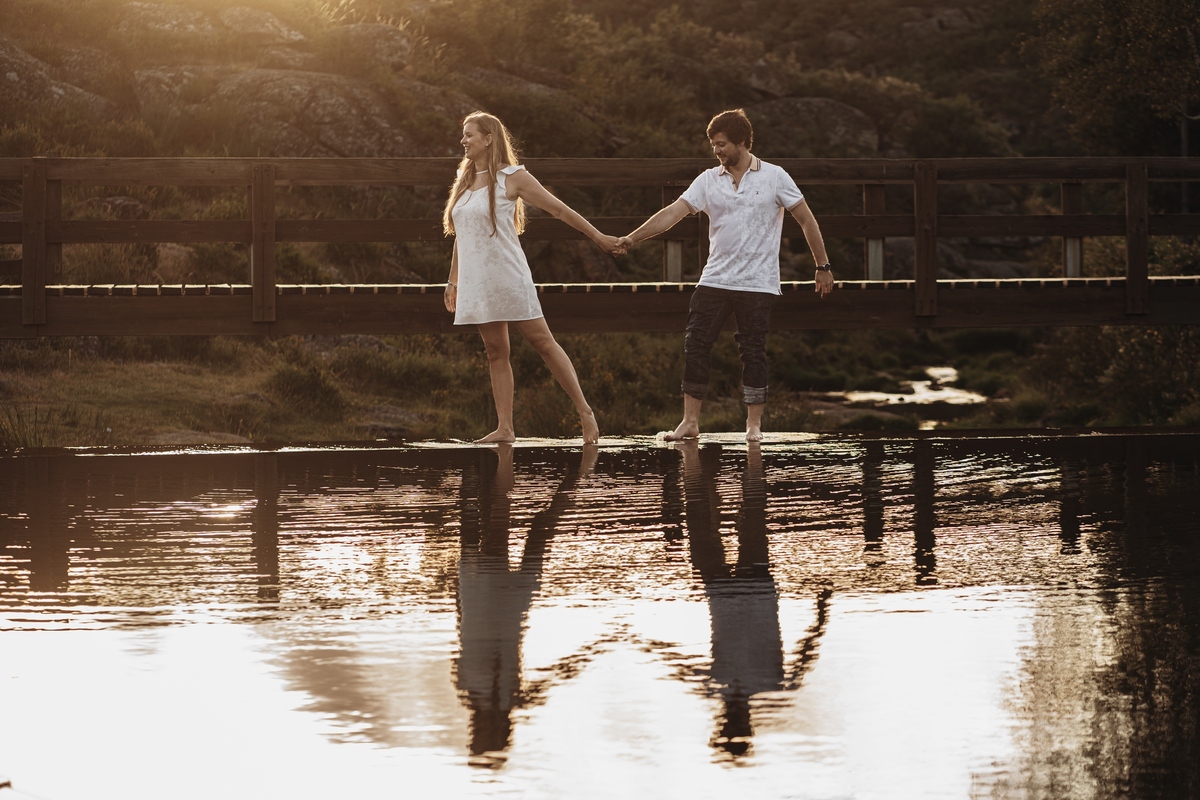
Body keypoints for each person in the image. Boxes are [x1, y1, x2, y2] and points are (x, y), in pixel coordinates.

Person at [618, 109, 833, 442]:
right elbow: (672, 213)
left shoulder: (775, 177)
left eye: (721, 144)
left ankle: (753, 427)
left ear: (742, 142)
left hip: (758, 282)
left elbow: (806, 219)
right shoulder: (708, 180)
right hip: (715, 279)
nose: (716, 151)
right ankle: (690, 422)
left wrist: (822, 266)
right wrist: (632, 237)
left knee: (753, 350)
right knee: (696, 344)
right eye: (713, 145)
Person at [443, 112, 623, 444]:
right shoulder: (465, 179)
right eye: (463, 135)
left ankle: (585, 413)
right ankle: (505, 428)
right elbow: (462, 236)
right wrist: (453, 280)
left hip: (508, 274)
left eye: (469, 135)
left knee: (542, 342)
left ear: (489, 139)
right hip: (477, 280)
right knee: (495, 350)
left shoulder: (513, 177)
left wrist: (598, 237)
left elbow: (560, 210)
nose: (463, 141)